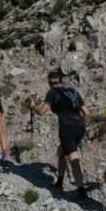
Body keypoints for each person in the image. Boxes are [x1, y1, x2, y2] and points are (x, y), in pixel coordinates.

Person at [30, 70, 90, 198]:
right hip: (79, 126)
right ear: (61, 81)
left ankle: (81, 190)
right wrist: (83, 127)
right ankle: (60, 181)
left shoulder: (52, 92)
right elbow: (87, 112)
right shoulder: (73, 92)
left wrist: (34, 106)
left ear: (49, 83)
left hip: (67, 128)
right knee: (61, 151)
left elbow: (42, 112)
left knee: (73, 158)